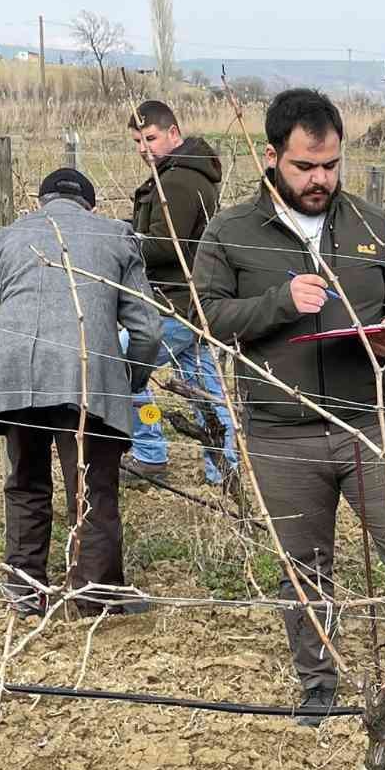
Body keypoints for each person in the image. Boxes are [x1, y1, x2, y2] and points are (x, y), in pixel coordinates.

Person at [194, 88, 385, 747]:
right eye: (305, 167)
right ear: (271, 157)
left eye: (330, 165)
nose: (320, 179)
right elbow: (206, 316)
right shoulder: (231, 232)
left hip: (370, 422)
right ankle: (319, 686)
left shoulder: (372, 224)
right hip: (280, 430)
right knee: (304, 567)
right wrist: (278, 302)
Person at [0, 168, 162, 617]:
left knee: (24, 483)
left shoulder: (5, 238)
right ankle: (94, 597)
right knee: (91, 489)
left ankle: (25, 590)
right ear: (91, 205)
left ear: (40, 201)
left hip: (15, 374)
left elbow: (3, 306)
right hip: (85, 374)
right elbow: (147, 329)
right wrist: (131, 380)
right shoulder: (116, 236)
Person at [126, 99, 238, 487]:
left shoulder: (176, 181)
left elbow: (164, 245)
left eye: (151, 138)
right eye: (137, 141)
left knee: (120, 366)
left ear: (173, 133)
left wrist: (122, 241)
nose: (144, 148)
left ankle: (149, 453)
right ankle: (224, 468)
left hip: (172, 304)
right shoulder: (189, 173)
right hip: (196, 302)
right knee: (204, 390)